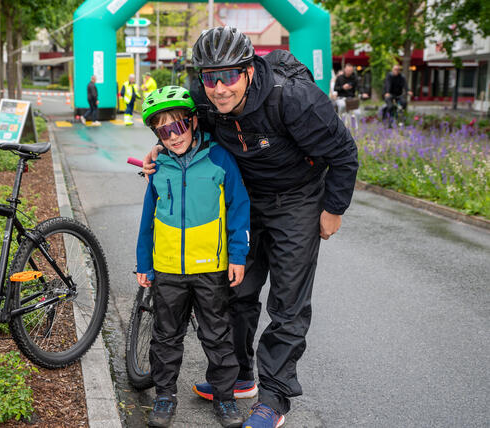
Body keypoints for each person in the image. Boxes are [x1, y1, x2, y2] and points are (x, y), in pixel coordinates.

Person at [143, 26, 358, 428]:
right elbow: (182, 129)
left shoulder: (292, 99)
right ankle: (240, 375)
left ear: (250, 72)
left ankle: (274, 398)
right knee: (236, 290)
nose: (220, 88)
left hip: (298, 198)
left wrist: (333, 208)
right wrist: (161, 147)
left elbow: (344, 153)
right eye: (210, 77)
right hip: (243, 196)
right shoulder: (204, 99)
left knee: (287, 302)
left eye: (229, 76)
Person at [136, 85, 251, 428]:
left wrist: (238, 255)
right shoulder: (159, 169)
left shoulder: (218, 159)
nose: (173, 137)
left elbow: (239, 207)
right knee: (166, 336)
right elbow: (147, 220)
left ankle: (226, 397)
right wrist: (144, 262)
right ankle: (165, 396)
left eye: (178, 127)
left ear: (193, 121)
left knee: (217, 335)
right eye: (163, 131)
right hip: (168, 268)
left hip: (210, 268)